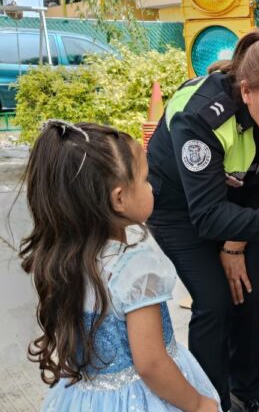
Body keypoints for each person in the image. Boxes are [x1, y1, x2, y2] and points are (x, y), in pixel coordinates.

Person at [145, 28, 259, 412]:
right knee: (214, 299)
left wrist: (236, 243)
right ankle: (212, 400)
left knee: (247, 297)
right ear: (246, 91)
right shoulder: (199, 117)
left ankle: (247, 390)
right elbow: (208, 215)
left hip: (239, 196)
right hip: (179, 207)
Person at [20, 121, 220, 412]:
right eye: (145, 179)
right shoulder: (136, 267)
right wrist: (198, 403)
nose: (151, 187)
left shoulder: (64, 259)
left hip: (85, 399)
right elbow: (151, 363)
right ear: (119, 198)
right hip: (144, 398)